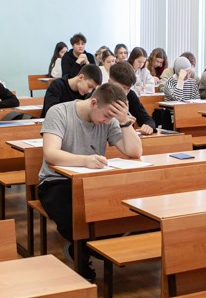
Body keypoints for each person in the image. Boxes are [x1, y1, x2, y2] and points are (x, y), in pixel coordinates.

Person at [38, 83, 142, 277]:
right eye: (106, 116)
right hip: (57, 181)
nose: (107, 121)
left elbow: (134, 152)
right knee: (75, 219)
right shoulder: (59, 112)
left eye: (112, 117)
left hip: (92, 182)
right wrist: (85, 160)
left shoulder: (110, 119)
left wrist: (124, 122)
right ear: (93, 103)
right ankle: (83, 252)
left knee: (121, 212)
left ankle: (85, 249)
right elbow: (50, 154)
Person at [108, 62, 156, 134]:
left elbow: (146, 118)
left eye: (128, 88)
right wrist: (120, 121)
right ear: (110, 82)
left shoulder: (130, 95)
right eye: (122, 88)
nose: (125, 93)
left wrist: (148, 127)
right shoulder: (100, 96)